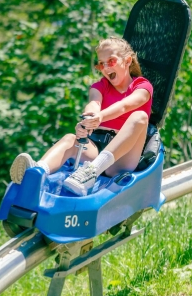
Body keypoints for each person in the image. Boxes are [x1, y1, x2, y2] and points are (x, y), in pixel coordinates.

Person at [9, 36, 153, 196]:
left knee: (140, 116)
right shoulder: (100, 86)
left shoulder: (142, 86)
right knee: (70, 139)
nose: (105, 68)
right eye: (101, 64)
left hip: (121, 159)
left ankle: (91, 172)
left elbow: (124, 106)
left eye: (111, 61)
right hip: (96, 149)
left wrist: (100, 117)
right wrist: (88, 120)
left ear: (127, 61)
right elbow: (93, 104)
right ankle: (36, 172)